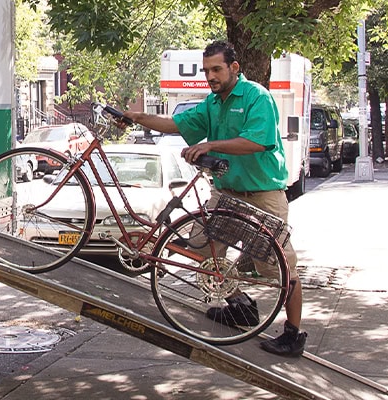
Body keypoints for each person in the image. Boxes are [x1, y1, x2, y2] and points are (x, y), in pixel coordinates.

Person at [120, 40, 305, 357]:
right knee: (202, 252)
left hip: (263, 195)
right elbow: (175, 124)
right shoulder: (212, 103)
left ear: (234, 68)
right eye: (206, 71)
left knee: (279, 267)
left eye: (216, 69)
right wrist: (135, 117)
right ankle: (240, 307)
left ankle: (293, 334)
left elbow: (257, 142)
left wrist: (209, 146)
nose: (210, 76)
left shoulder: (256, 97)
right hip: (225, 193)